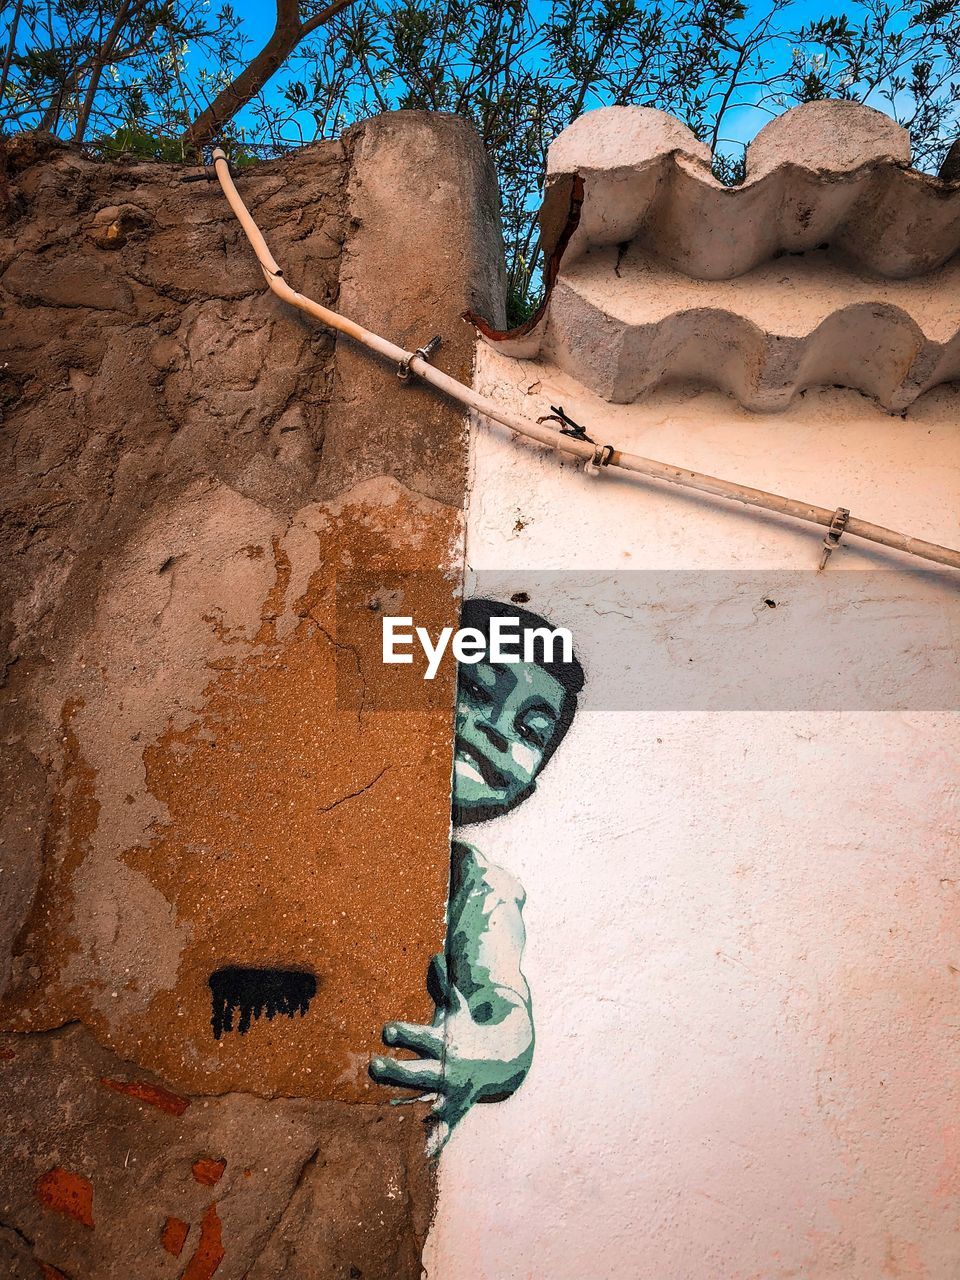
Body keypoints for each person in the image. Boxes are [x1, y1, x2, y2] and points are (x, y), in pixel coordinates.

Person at [369, 598, 585, 1152]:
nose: (491, 729)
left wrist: (477, 1052)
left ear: (528, 786)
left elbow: (508, 1018)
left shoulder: (477, 886)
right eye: (473, 690)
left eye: (528, 729)